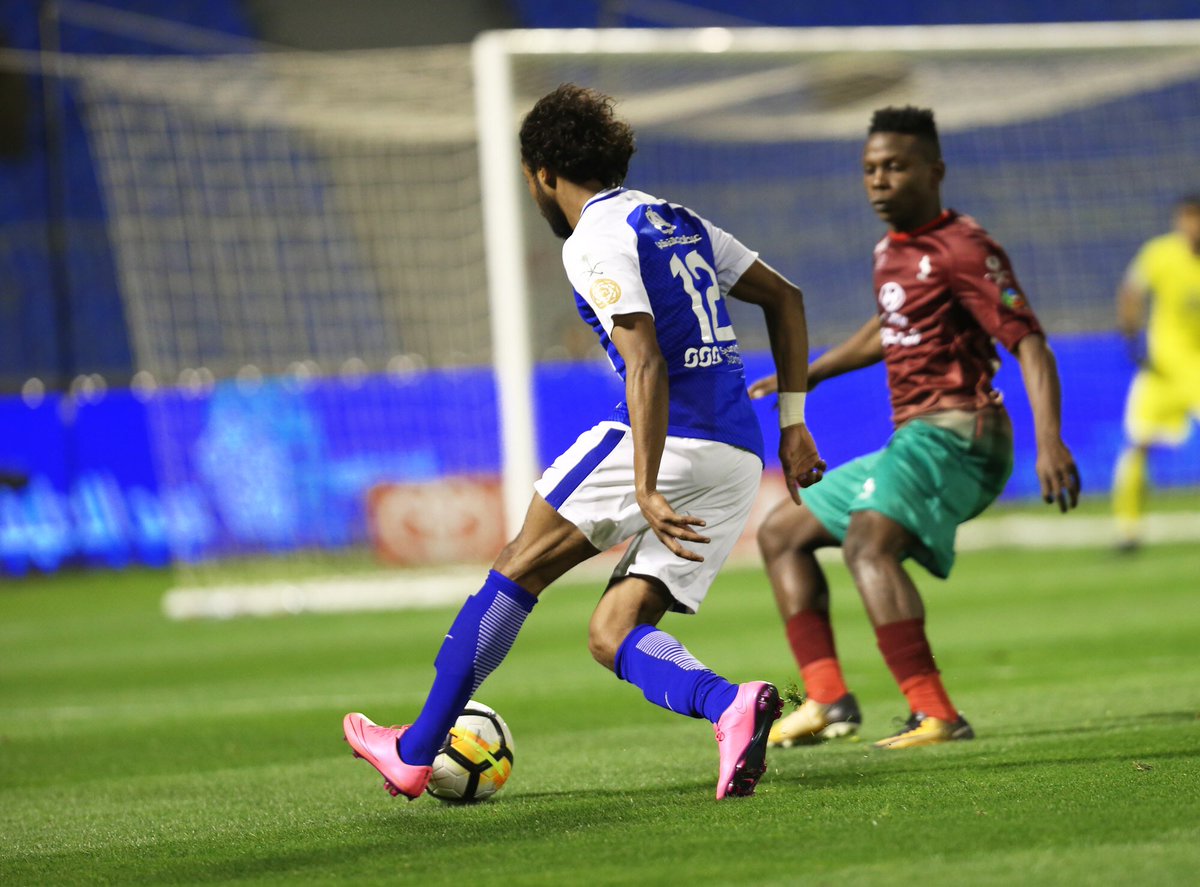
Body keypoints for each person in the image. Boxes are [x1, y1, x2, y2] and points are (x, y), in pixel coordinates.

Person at [343, 84, 825, 800]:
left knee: (518, 564)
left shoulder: (595, 237)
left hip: (671, 438)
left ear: (542, 174)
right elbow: (787, 297)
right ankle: (729, 704)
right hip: (735, 455)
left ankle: (413, 750)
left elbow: (646, 361)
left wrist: (645, 483)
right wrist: (794, 422)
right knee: (611, 630)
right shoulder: (674, 219)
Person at [750, 106, 1080, 750]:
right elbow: (889, 326)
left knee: (867, 544)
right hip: (916, 441)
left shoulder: (964, 249)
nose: (879, 180)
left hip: (961, 434)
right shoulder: (889, 251)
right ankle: (827, 700)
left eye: (895, 167)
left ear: (935, 172)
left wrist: (1051, 440)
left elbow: (1030, 343)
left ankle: (936, 714)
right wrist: (814, 373)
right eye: (871, 169)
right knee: (782, 533)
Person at [1111, 195, 1200, 551]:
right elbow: (1131, 290)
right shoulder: (1159, 254)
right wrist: (1131, 338)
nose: (1191, 227)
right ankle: (1128, 532)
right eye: (1186, 219)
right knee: (1137, 445)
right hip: (1162, 369)